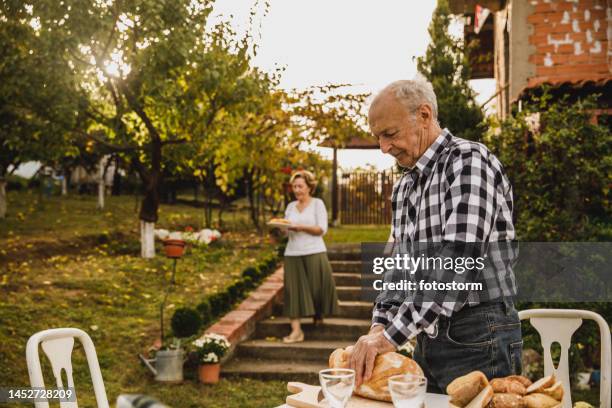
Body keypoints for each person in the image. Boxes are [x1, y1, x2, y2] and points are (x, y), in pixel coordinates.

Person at [349, 79, 521, 392]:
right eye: (378, 137)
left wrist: (390, 336)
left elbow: (457, 260)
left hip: (480, 335)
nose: (383, 148)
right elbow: (400, 266)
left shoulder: (468, 162)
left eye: (390, 134)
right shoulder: (404, 185)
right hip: (425, 336)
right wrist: (379, 327)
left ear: (425, 116)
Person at [281, 170, 339, 343]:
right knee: (293, 292)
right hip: (292, 253)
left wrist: (300, 227)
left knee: (317, 289)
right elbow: (285, 230)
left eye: (300, 186)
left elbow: (322, 229)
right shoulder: (290, 207)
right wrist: (280, 229)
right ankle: (296, 331)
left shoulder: (317, 204)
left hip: (314, 251)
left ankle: (318, 316)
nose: (297, 190)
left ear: (309, 187)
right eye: (294, 186)